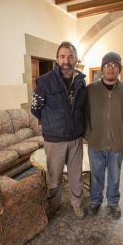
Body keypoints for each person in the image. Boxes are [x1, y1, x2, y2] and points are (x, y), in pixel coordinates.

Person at [31, 41, 87, 220]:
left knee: (76, 175)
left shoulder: (80, 81)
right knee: (54, 177)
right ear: (57, 59)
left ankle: (77, 204)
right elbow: (35, 108)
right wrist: (52, 122)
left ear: (76, 59)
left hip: (76, 137)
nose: (66, 60)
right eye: (62, 56)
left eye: (70, 56)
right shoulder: (45, 81)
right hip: (54, 139)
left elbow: (83, 107)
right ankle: (53, 206)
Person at [84, 52, 123, 218]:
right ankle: (95, 201)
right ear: (102, 68)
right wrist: (88, 135)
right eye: (107, 65)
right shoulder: (91, 90)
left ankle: (113, 202)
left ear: (119, 69)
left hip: (117, 144)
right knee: (96, 174)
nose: (111, 68)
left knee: (115, 176)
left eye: (115, 65)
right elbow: (84, 114)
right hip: (96, 143)